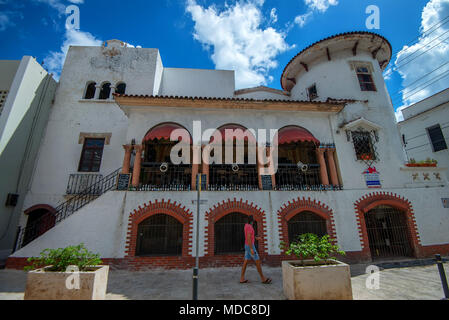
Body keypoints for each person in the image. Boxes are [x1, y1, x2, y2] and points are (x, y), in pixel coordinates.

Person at [240, 215, 272, 284]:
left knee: (245, 262)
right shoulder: (250, 227)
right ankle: (263, 279)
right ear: (251, 221)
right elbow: (248, 238)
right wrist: (251, 248)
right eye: (253, 221)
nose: (253, 222)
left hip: (247, 245)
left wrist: (255, 238)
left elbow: (249, 236)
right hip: (250, 246)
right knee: (257, 261)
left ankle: (242, 278)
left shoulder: (246, 226)